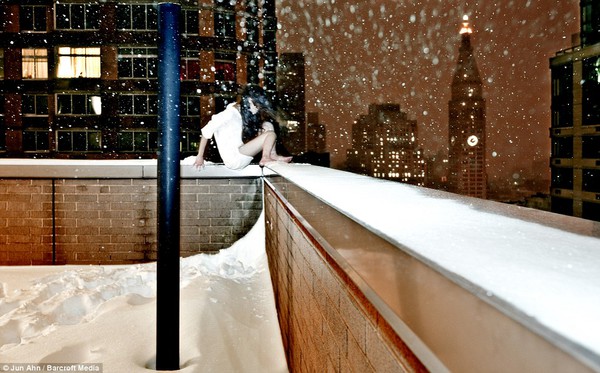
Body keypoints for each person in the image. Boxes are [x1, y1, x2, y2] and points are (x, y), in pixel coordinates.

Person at [194, 85, 292, 170]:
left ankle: (272, 155)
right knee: (271, 134)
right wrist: (199, 156)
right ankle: (265, 157)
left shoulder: (239, 113)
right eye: (257, 106)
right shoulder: (228, 114)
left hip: (240, 153)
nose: (257, 110)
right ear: (249, 100)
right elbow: (206, 132)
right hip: (234, 158)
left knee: (268, 125)